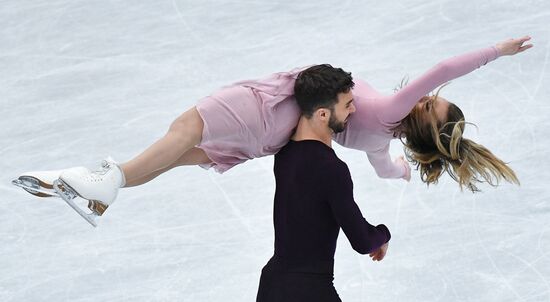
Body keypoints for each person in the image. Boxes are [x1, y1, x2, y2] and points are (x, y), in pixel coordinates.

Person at [13, 37, 532, 223]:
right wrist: (402, 173)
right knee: (176, 155)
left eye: (430, 106)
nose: (426, 97)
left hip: (270, 106)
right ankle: (90, 185)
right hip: (270, 140)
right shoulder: (379, 139)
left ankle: (101, 181)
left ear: (420, 117)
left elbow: (442, 67)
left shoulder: (394, 107)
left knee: (182, 129)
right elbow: (385, 169)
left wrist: (495, 52)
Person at [256, 64, 390, 302]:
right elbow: (361, 241)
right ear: (322, 114)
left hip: (272, 285)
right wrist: (383, 234)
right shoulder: (332, 170)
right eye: (347, 105)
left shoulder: (285, 151)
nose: (354, 109)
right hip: (309, 290)